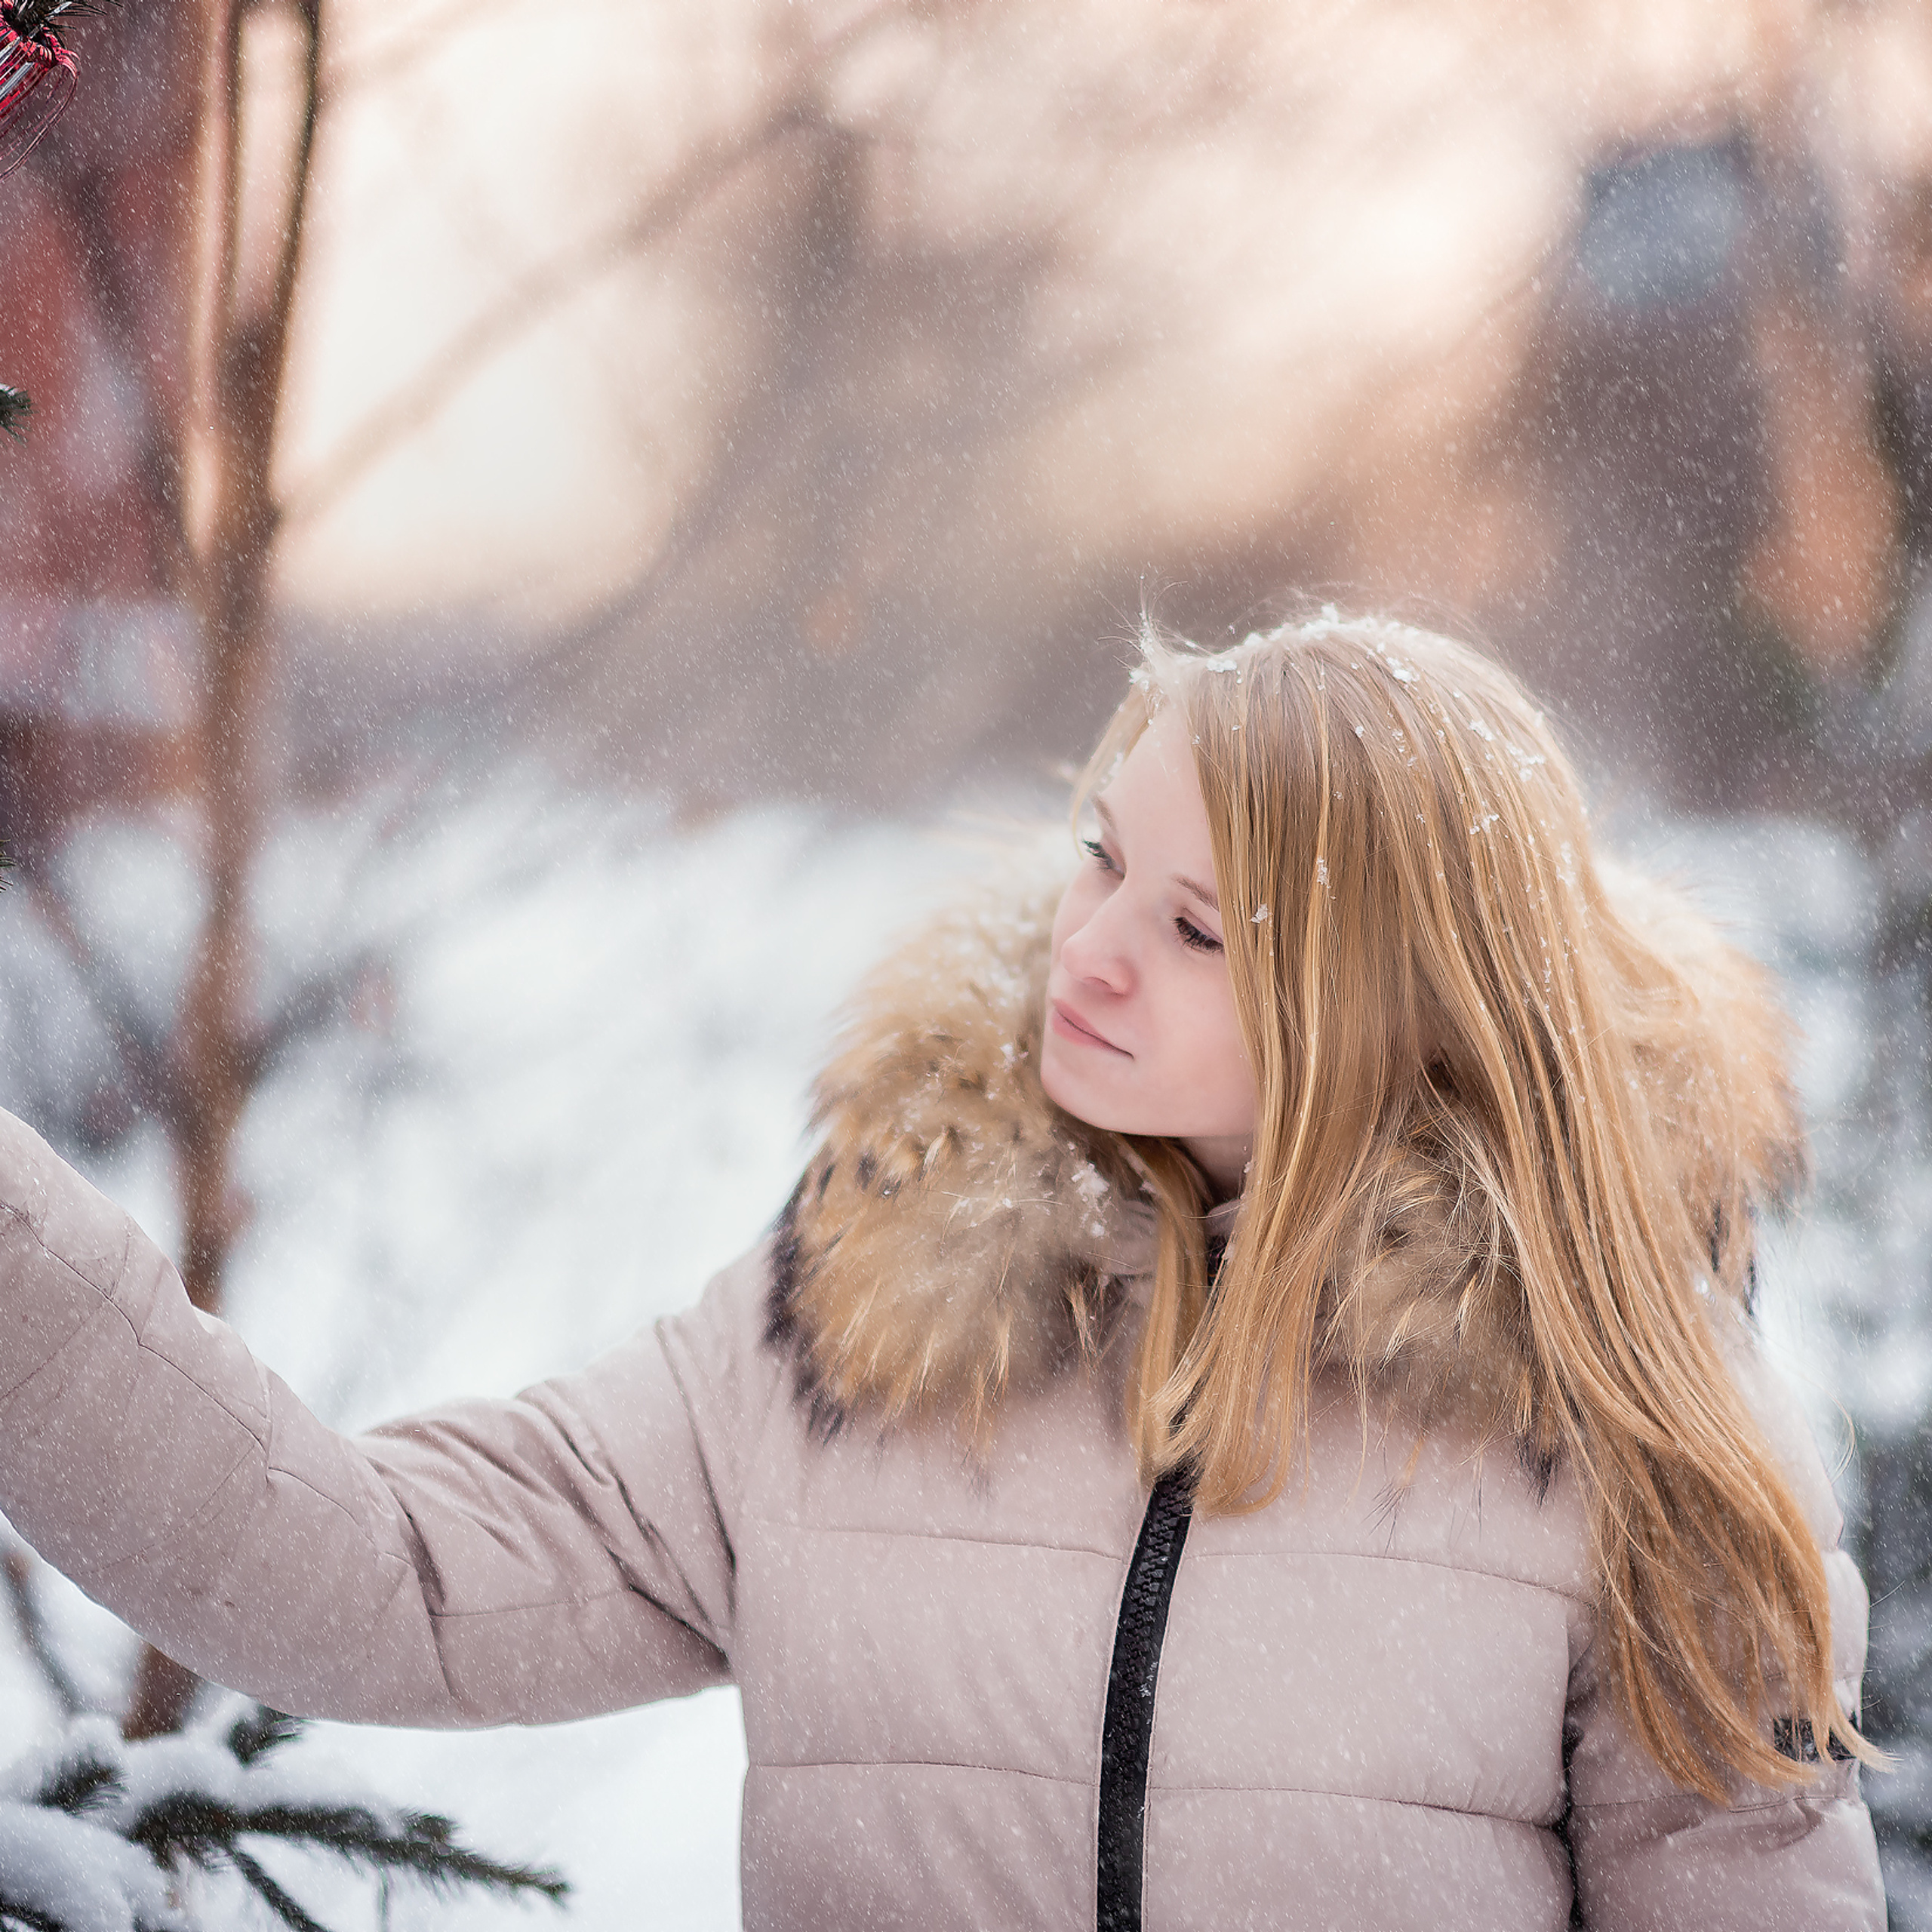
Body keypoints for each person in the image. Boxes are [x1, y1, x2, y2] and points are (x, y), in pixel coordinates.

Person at [0, 611, 1887, 1930]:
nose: (1092, 945)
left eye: (1195, 926)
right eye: (1099, 857)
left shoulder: (1619, 1422)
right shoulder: (870, 1306)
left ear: (1391, 1001)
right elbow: (376, 1572)